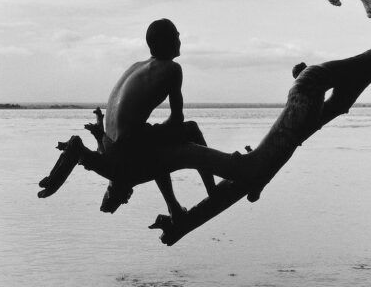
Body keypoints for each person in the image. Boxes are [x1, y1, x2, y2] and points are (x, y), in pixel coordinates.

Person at [37, 19, 253, 220]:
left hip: (111, 144)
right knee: (191, 129)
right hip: (129, 147)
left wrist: (159, 132)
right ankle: (213, 191)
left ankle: (173, 206)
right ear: (166, 42)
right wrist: (169, 133)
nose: (180, 41)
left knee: (158, 148)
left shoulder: (136, 66)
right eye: (177, 36)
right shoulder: (172, 68)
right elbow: (178, 120)